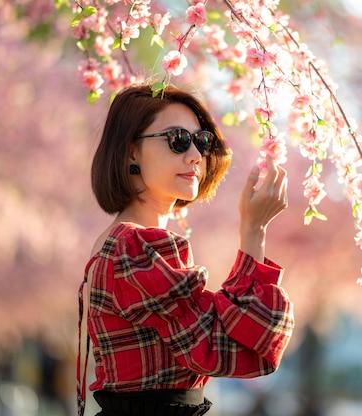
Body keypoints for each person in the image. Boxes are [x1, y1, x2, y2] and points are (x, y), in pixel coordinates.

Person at [77, 84, 294, 416]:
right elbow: (235, 347)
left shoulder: (126, 243)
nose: (195, 155)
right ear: (131, 152)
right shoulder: (133, 248)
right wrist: (253, 230)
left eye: (201, 141)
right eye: (177, 139)